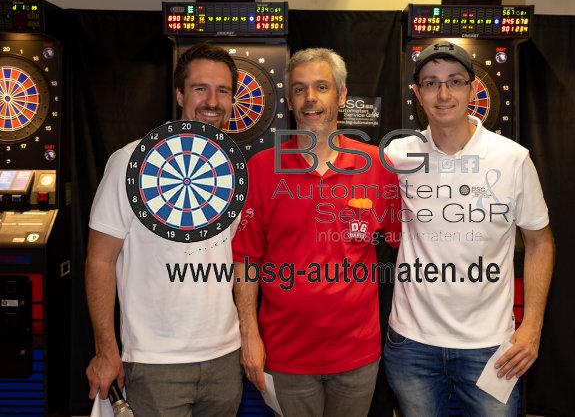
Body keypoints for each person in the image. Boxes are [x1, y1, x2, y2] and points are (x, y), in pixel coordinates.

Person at [383, 41, 555, 416]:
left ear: (473, 88)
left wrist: (532, 327)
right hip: (412, 343)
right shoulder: (398, 156)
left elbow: (540, 242)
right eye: (431, 83)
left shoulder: (512, 159)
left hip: (490, 347)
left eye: (455, 81)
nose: (443, 94)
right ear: (418, 94)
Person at [232, 47, 402, 417]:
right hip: (285, 354)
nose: (310, 98)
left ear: (341, 96)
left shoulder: (376, 165)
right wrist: (249, 334)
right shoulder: (262, 168)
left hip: (357, 355)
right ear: (289, 101)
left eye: (322, 87)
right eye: (299, 89)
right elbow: (246, 259)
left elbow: (408, 246)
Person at [85, 42, 244, 415]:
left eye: (222, 91)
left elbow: (236, 260)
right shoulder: (131, 162)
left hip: (224, 357)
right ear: (179, 94)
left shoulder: (235, 168)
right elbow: (99, 260)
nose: (212, 101)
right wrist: (106, 349)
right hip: (155, 361)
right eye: (200, 88)